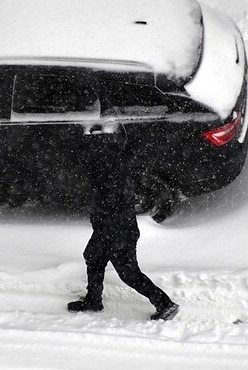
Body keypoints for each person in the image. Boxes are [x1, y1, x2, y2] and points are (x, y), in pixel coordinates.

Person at [67, 128, 179, 321]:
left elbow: (110, 199)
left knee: (129, 274)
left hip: (118, 229)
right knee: (93, 257)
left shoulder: (107, 168)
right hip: (111, 227)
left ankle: (165, 304)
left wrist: (105, 221)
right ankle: (93, 300)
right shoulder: (110, 159)